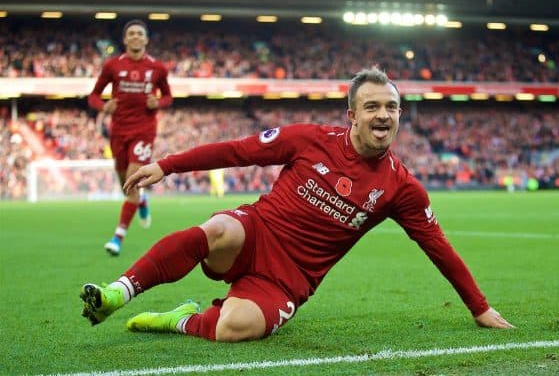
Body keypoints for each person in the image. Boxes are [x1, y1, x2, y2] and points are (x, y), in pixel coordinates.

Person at [80, 68, 513, 342]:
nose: (384, 115)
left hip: (291, 279)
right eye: (373, 106)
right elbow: (237, 151)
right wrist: (167, 166)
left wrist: (480, 309)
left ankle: (179, 320)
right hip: (254, 234)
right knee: (217, 230)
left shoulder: (401, 188)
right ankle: (119, 292)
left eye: (392, 107)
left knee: (233, 328)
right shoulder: (308, 139)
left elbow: (437, 245)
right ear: (352, 115)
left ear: (400, 115)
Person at [88, 19, 173, 256]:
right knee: (125, 184)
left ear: (146, 39)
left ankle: (118, 237)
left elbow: (168, 97)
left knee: (132, 184)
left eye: (140, 34)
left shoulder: (158, 68)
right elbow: (93, 96)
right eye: (131, 34)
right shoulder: (112, 65)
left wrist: (159, 102)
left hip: (144, 131)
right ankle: (142, 201)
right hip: (118, 132)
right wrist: (103, 106)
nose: (136, 37)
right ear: (125, 39)